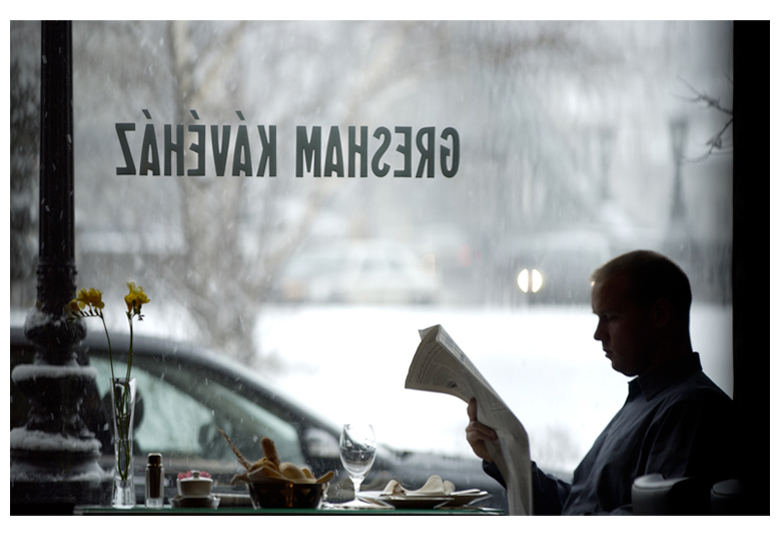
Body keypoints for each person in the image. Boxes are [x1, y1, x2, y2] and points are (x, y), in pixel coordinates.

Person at [465, 250, 737, 515]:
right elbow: (575, 507)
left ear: (660, 315)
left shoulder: (690, 410)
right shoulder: (648, 401)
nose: (598, 334)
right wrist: (502, 456)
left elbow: (652, 521)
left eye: (611, 318)